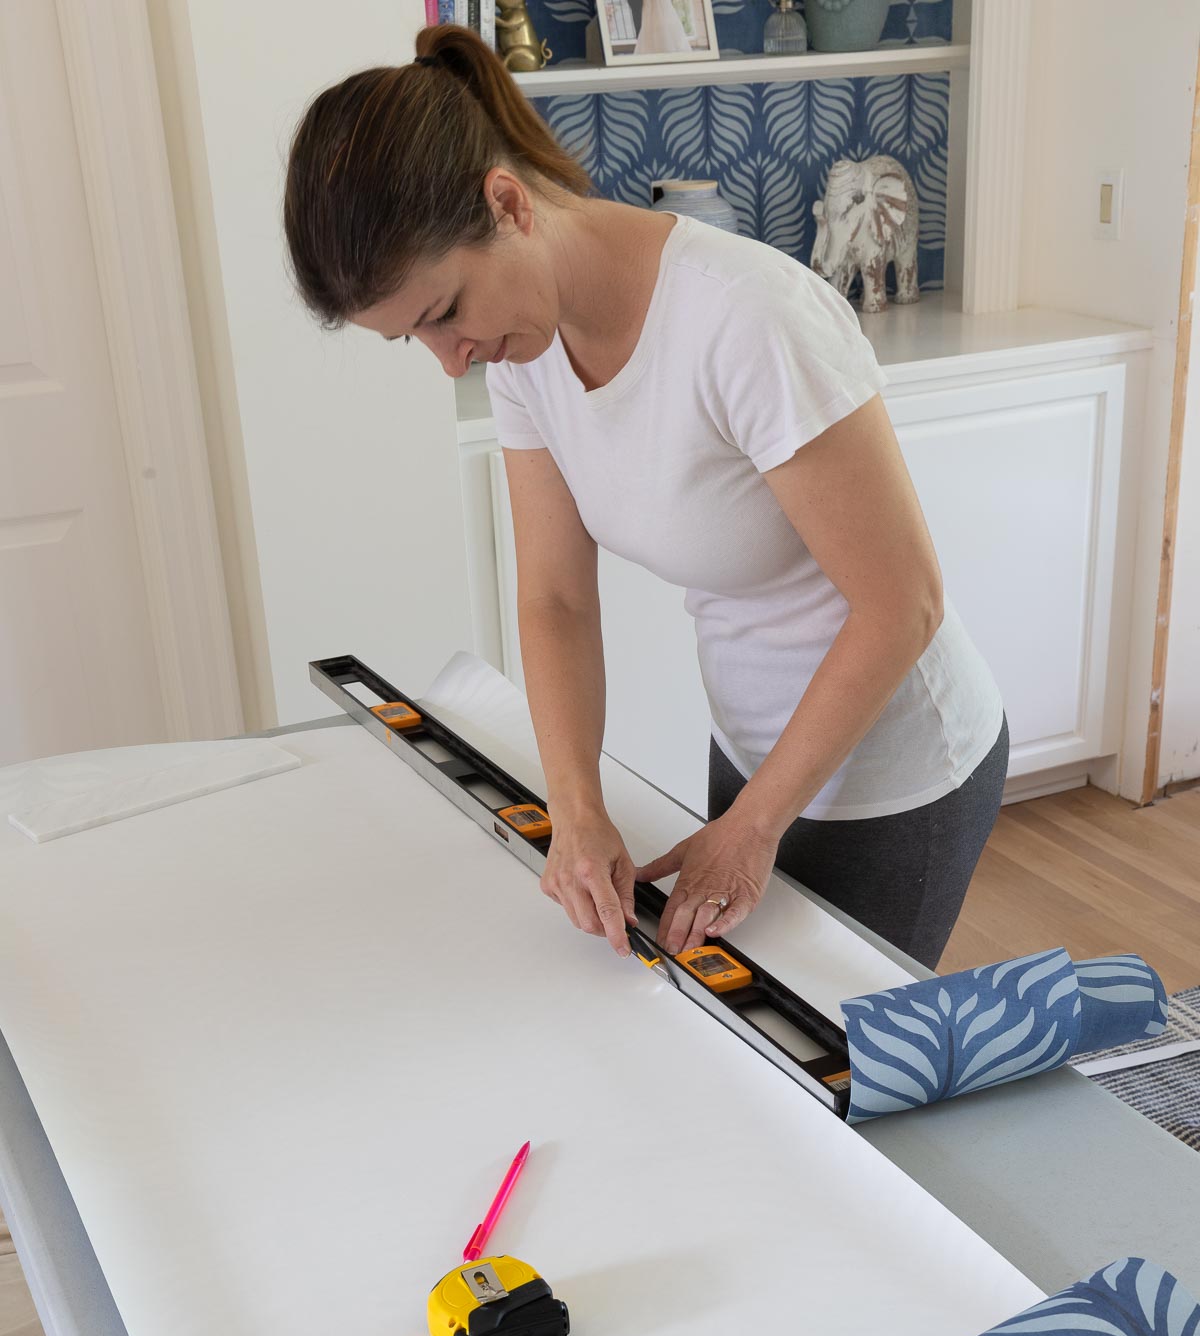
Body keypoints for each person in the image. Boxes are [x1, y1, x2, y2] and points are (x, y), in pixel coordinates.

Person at [284, 25, 1008, 970]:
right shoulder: (522, 352)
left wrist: (752, 827)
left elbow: (902, 602)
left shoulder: (746, 319)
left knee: (844, 1099)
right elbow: (553, 597)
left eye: (444, 313)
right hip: (754, 747)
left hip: (894, 773)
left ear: (506, 204)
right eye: (412, 340)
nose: (449, 359)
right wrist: (574, 810)